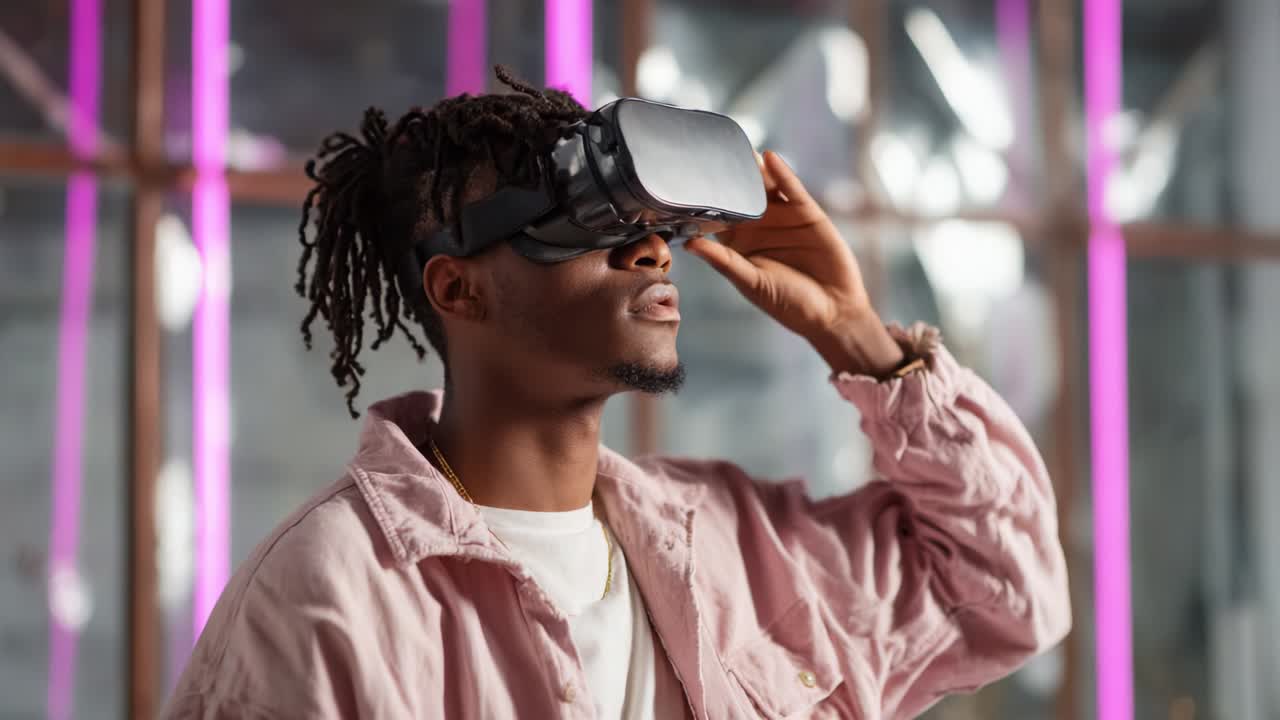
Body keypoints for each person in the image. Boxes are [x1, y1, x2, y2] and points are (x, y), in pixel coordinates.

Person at [162, 67, 1070, 719]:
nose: (649, 251)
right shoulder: (328, 603)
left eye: (651, 224)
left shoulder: (742, 552)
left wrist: (859, 339)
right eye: (587, 219)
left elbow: (1009, 593)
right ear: (457, 289)